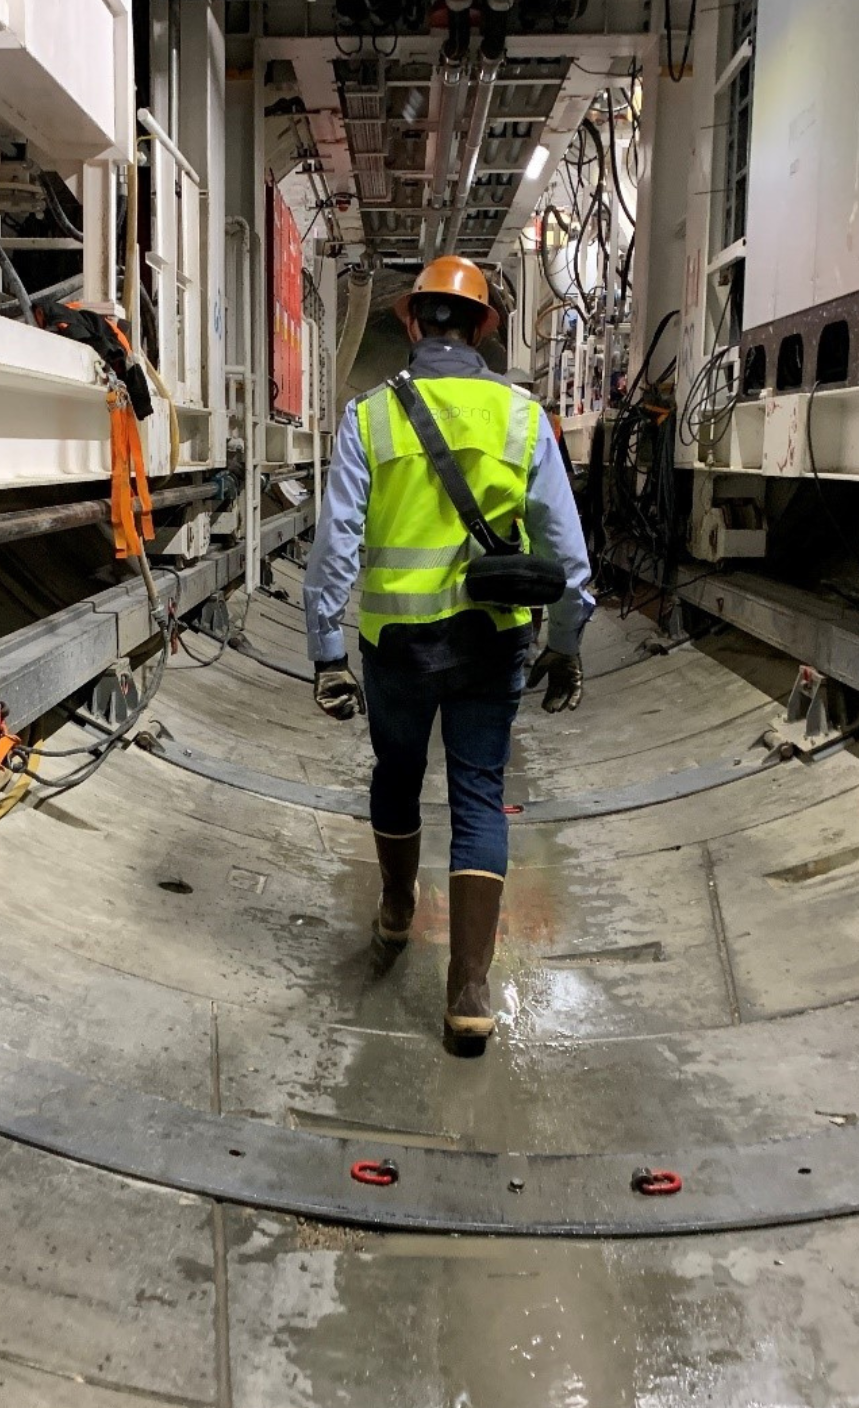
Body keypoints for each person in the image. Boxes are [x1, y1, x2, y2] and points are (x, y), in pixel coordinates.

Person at [303, 255, 594, 1041]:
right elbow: (568, 560)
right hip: (491, 643)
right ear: (485, 328)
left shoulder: (369, 417)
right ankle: (468, 994)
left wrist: (327, 652)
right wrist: (563, 647)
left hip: (394, 645)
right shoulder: (525, 418)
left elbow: (336, 548)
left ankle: (397, 913)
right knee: (477, 794)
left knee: (396, 776)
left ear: (409, 321)